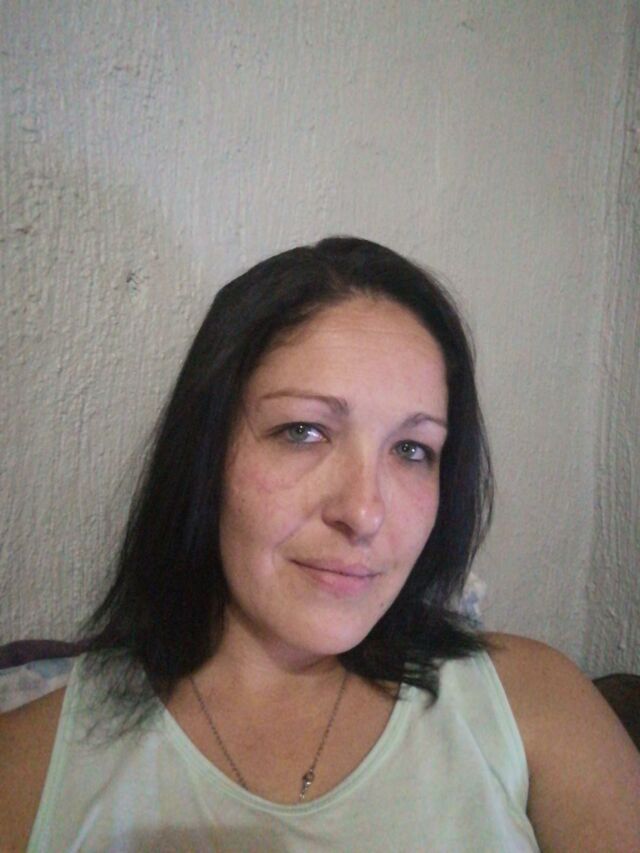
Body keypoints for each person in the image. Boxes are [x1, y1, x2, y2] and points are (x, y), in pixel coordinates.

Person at [1, 237, 638, 851]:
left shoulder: (536, 703)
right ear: (205, 455)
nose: (363, 512)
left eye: (411, 449)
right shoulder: (29, 769)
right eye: (303, 431)